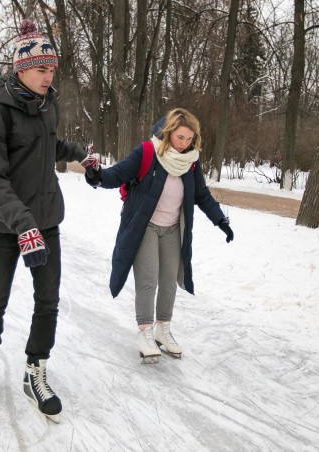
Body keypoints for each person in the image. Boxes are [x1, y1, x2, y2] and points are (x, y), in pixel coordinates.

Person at [0, 19, 97, 422]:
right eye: (42, 69)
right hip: (6, 226)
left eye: (52, 69)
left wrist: (78, 154)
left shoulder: (47, 106)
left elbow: (49, 143)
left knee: (48, 301)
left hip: (45, 221)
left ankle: (34, 369)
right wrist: (23, 226)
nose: (48, 76)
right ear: (20, 69)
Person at [84, 108, 234, 363]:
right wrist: (96, 173)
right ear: (168, 133)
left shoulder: (191, 161)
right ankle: (145, 332)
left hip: (174, 228)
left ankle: (163, 329)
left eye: (189, 138)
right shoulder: (147, 152)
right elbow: (116, 174)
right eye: (180, 137)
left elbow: (201, 195)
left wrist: (220, 219)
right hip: (146, 226)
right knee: (148, 277)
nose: (185, 143)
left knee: (169, 279)